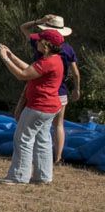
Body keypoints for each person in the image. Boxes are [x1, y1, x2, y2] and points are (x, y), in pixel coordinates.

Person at [0, 24, 66, 185]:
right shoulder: (55, 60)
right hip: (50, 107)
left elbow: (23, 75)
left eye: (39, 40)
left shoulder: (47, 62)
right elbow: (30, 70)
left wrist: (5, 58)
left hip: (38, 106)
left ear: (47, 44)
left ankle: (19, 176)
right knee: (43, 139)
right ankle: (43, 176)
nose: (36, 42)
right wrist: (12, 55)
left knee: (23, 138)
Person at [20, 14, 81, 168]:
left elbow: (23, 28)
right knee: (58, 124)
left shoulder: (39, 42)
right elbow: (75, 72)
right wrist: (76, 89)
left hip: (40, 88)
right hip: (60, 90)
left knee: (33, 126)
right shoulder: (67, 49)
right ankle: (57, 157)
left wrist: (38, 21)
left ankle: (33, 156)